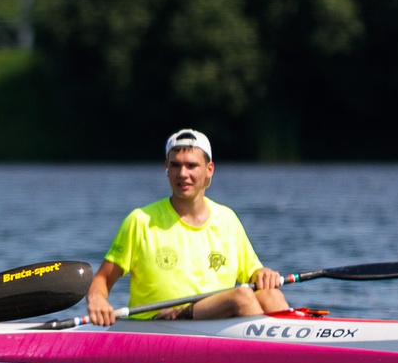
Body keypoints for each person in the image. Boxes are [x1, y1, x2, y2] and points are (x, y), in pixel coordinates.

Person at [83, 129, 289, 326]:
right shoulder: (141, 221)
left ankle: (296, 350)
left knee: (272, 294)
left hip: (213, 322)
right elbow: (102, 279)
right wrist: (97, 300)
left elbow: (254, 273)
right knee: (242, 297)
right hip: (158, 326)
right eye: (175, 165)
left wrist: (264, 273)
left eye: (191, 166)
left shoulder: (227, 220)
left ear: (209, 170)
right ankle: (277, 354)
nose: (182, 174)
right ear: (167, 168)